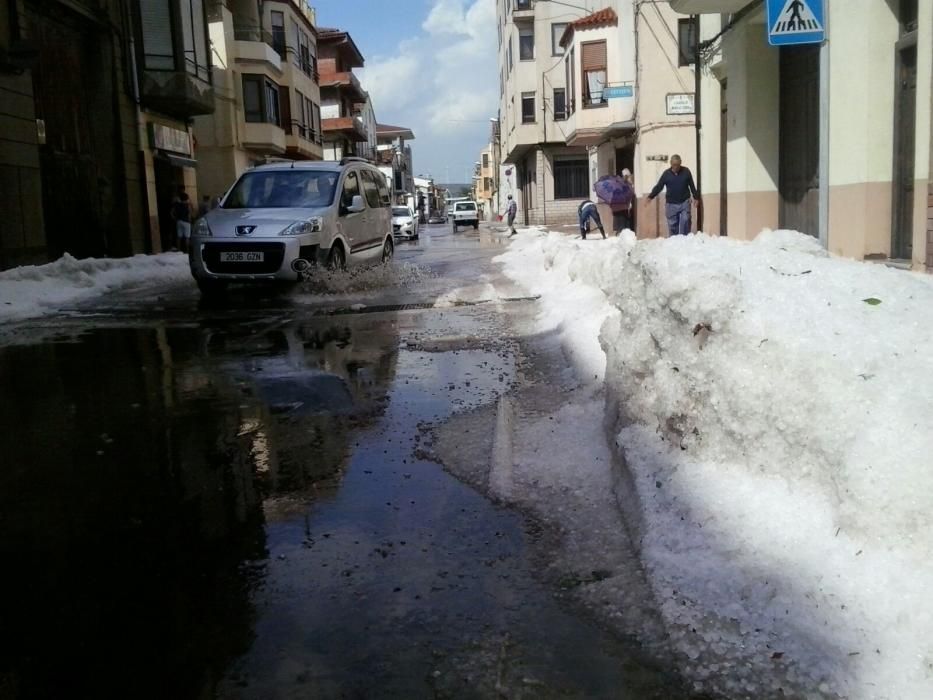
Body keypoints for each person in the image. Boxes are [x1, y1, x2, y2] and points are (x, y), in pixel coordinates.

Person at [646, 154, 699, 237]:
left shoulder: (686, 171)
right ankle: (674, 241)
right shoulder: (666, 174)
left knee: (686, 219)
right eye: (674, 165)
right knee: (672, 225)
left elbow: (692, 185)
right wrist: (650, 196)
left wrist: (696, 197)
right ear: (670, 163)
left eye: (678, 165)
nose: (676, 167)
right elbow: (659, 186)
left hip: (684, 201)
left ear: (680, 163)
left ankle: (684, 240)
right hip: (671, 204)